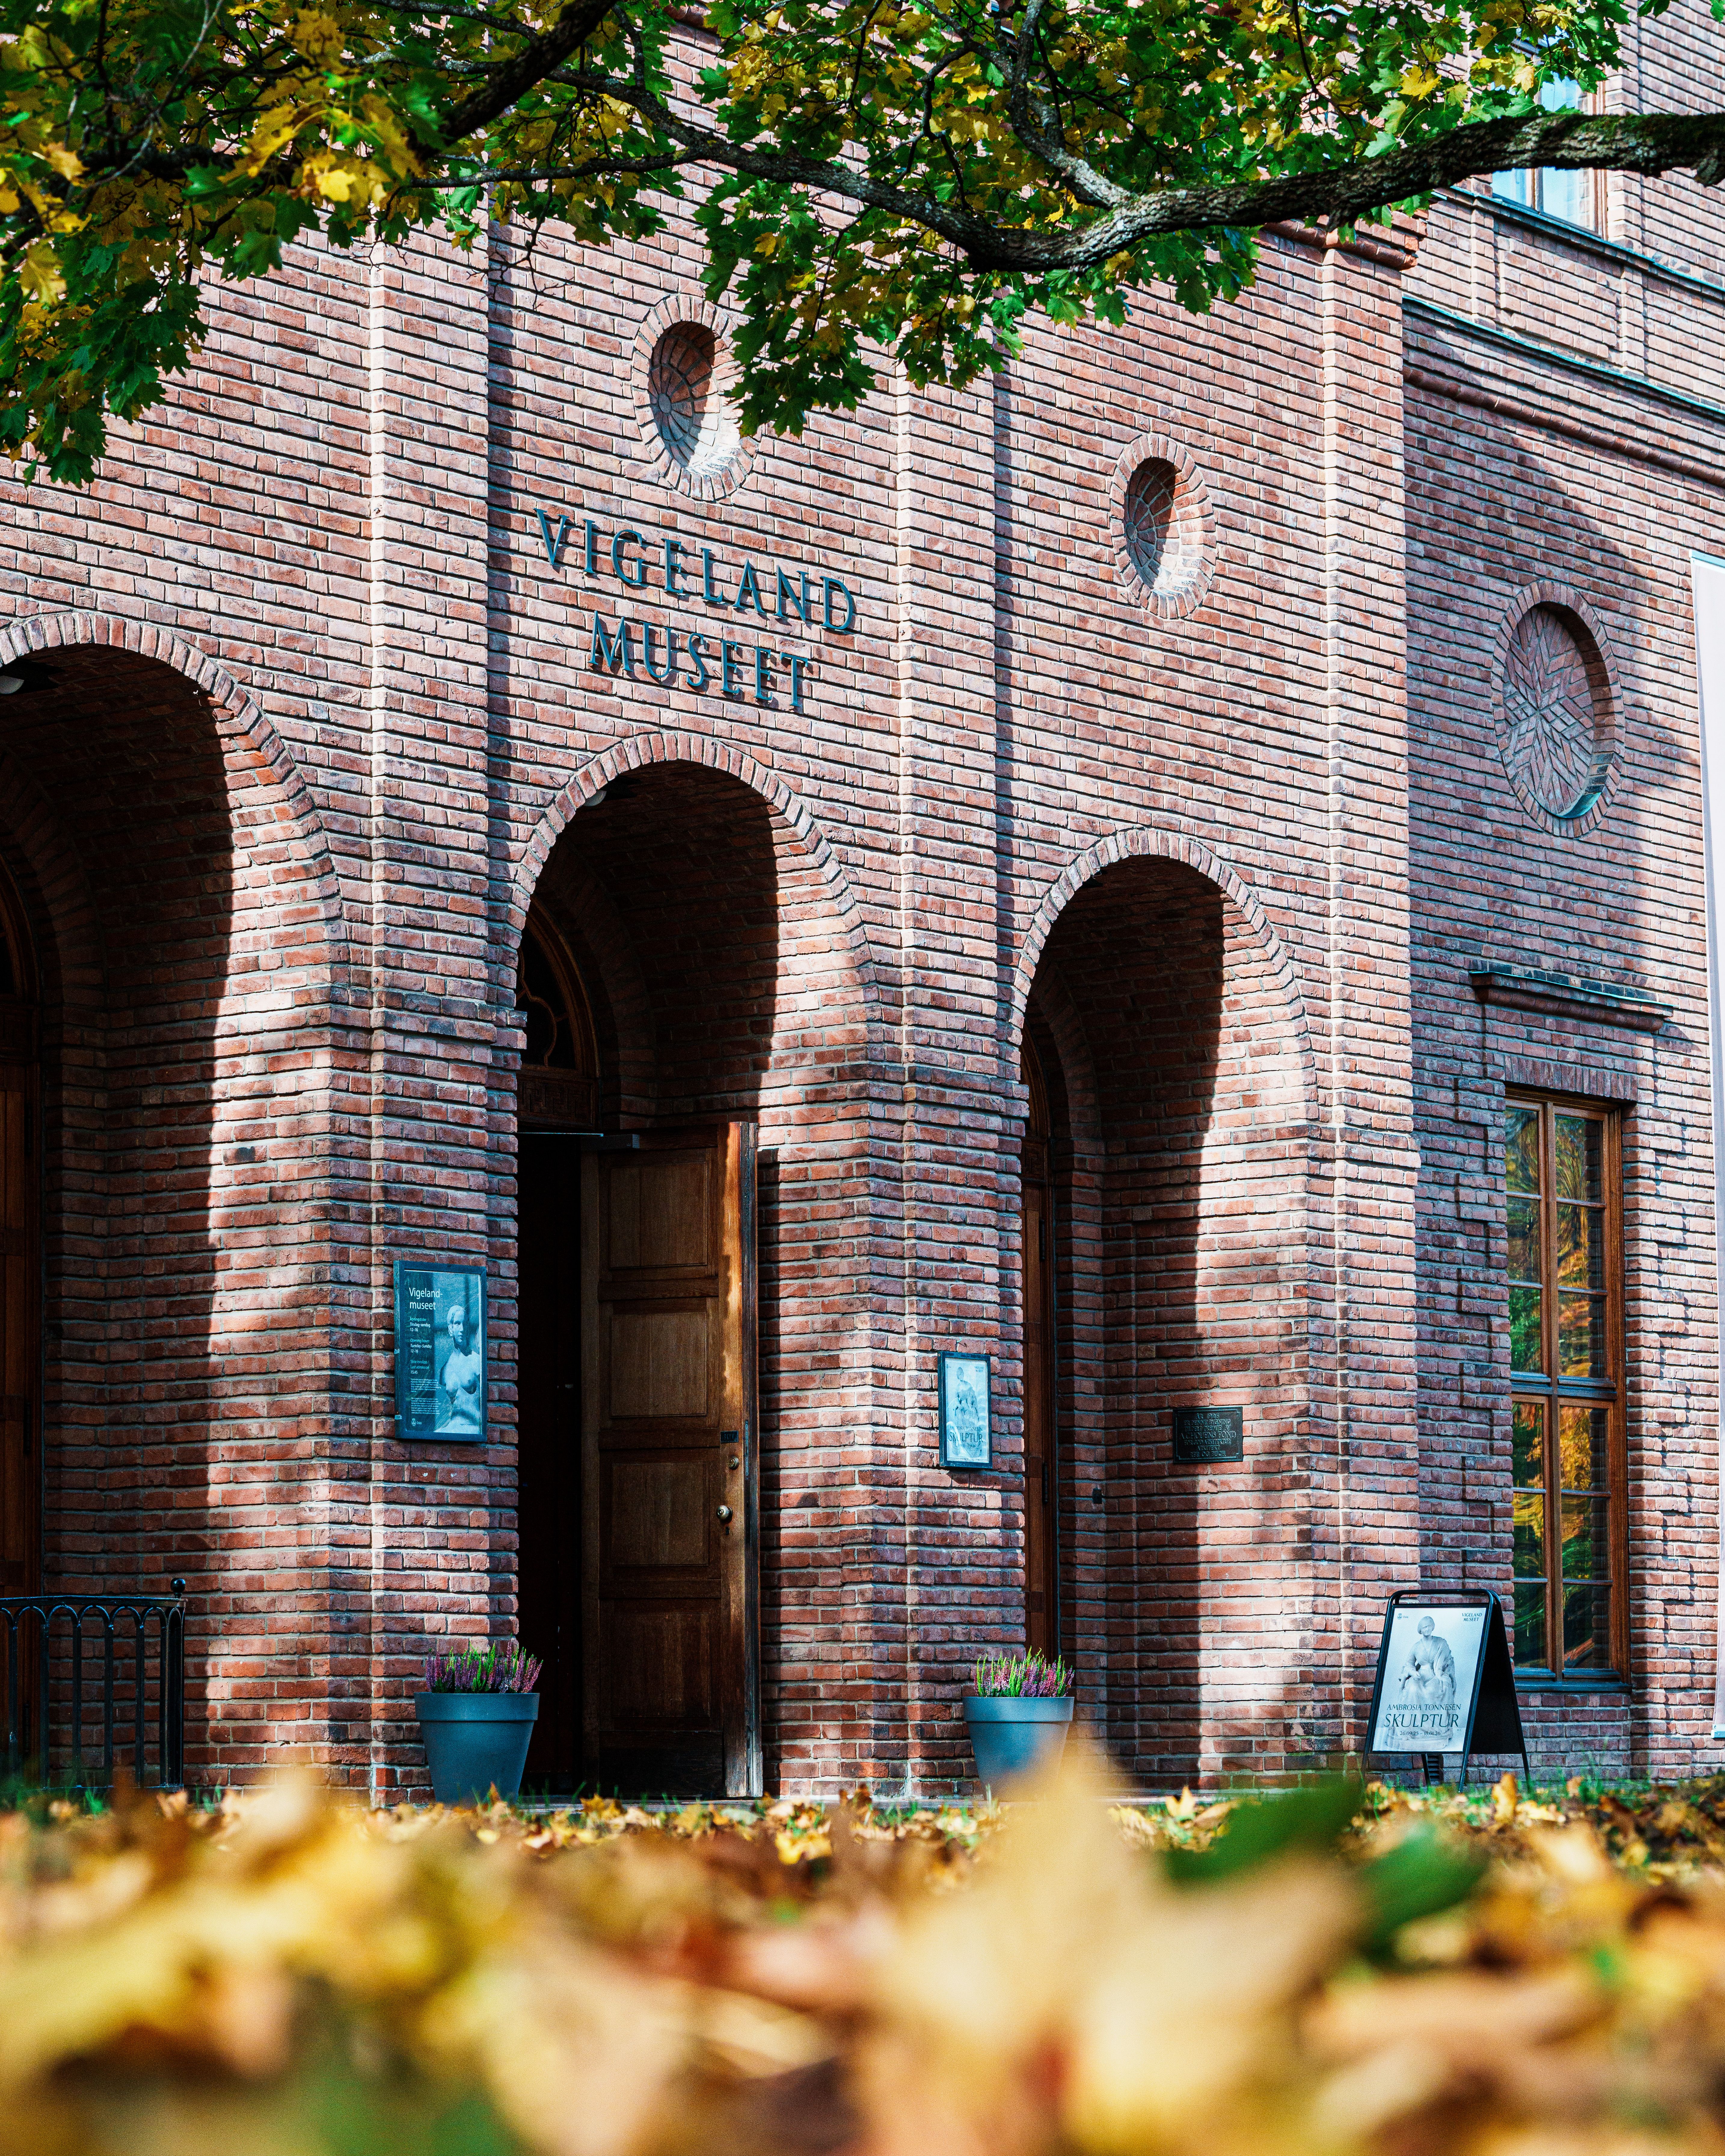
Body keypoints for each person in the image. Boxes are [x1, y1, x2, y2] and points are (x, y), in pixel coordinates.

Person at [437, 1299, 483, 1434]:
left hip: (473, 1427)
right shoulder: (445, 1369)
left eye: (464, 1324)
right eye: (457, 1324)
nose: (462, 1329)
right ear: (451, 1328)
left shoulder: (476, 1361)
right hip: (452, 1426)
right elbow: (446, 1410)